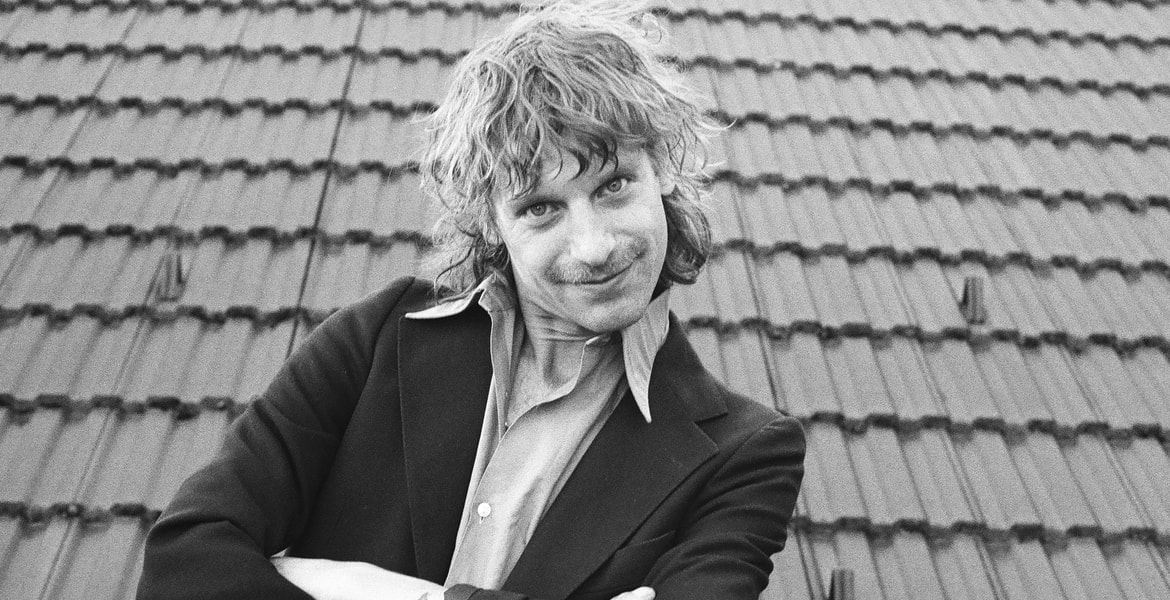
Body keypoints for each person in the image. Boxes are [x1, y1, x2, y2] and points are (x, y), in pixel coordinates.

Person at [136, 2, 805, 599]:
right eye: (540, 208)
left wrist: (373, 593)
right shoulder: (372, 341)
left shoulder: (745, 458)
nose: (594, 246)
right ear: (488, 221)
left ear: (661, 168)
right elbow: (183, 562)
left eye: (613, 185)